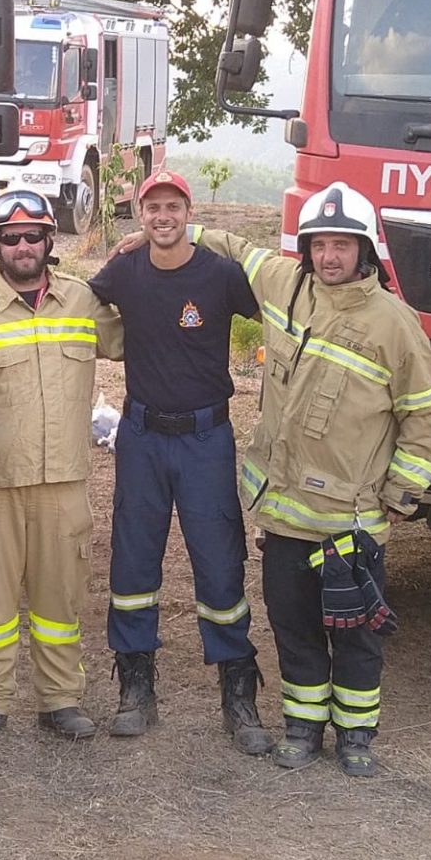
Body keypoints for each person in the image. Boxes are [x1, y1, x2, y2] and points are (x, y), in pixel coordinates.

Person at [188, 181, 431, 776]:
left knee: (356, 633)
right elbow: (239, 251)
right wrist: (177, 232)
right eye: (320, 244)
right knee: (293, 626)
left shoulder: (395, 324)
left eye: (342, 245)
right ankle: (302, 728)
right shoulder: (287, 285)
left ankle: (356, 735)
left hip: (351, 520)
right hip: (285, 513)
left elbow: (425, 414)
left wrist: (402, 491)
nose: (330, 256)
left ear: (365, 250)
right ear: (306, 249)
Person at [87, 170, 271, 756]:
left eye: (173, 207)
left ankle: (238, 692)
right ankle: (135, 687)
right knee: (133, 563)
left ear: (189, 212)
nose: (162, 217)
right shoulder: (125, 271)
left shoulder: (219, 274)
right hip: (142, 437)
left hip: (206, 439)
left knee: (220, 564)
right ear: (139, 215)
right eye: (152, 208)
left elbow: (275, 306)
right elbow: (80, 301)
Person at [0, 191, 123, 749]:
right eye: (11, 237)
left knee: (60, 600)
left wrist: (143, 260)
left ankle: (60, 699)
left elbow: (140, 337)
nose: (23, 246)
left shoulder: (83, 302)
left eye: (34, 236)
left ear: (49, 240)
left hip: (63, 482)